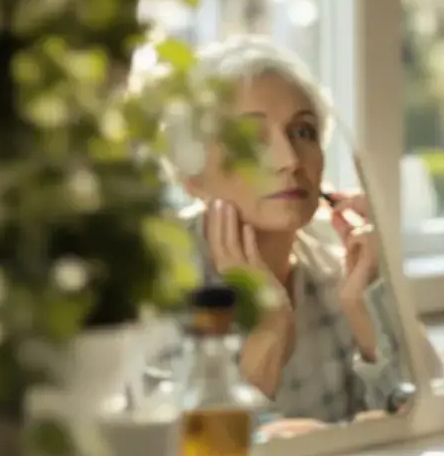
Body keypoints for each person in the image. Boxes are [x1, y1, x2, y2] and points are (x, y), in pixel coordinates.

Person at [153, 35, 406, 425]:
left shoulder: (337, 268)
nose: (289, 160)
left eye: (302, 132)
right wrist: (270, 332)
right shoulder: (156, 287)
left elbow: (423, 423)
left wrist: (367, 305)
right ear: (194, 180)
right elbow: (178, 455)